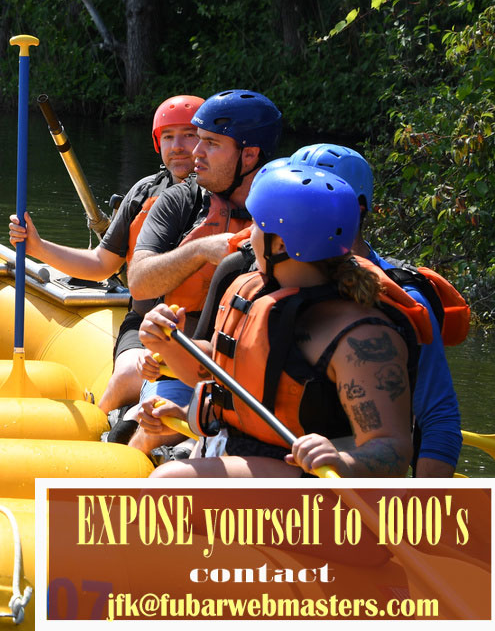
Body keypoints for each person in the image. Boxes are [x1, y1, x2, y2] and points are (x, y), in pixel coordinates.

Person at [139, 162, 416, 478]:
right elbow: (219, 370)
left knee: (169, 480)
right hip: (244, 450)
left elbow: (392, 449)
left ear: (281, 244)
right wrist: (169, 342)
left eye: (257, 225)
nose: (247, 236)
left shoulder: (361, 338)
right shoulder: (252, 288)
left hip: (314, 485)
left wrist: (343, 461)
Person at [7, 95, 204, 417]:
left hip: (202, 326)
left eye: (188, 134)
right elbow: (101, 265)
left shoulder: (224, 198)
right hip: (144, 322)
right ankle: (100, 434)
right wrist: (38, 247)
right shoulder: (144, 192)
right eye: (168, 136)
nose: (178, 145)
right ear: (158, 143)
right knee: (127, 375)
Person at [122, 90, 282, 452]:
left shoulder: (286, 213)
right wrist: (198, 251)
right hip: (181, 361)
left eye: (210, 143)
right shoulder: (182, 199)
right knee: (145, 429)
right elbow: (140, 282)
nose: (195, 153)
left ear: (251, 155)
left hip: (240, 372)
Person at [290, 144, 462, 477]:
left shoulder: (403, 299)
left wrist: (426, 508)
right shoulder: (266, 271)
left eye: (316, 204)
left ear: (357, 209)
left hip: (355, 467)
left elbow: (438, 415)